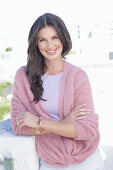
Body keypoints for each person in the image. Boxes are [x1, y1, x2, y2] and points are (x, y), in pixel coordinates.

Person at [11, 13, 105, 170]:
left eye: (55, 37)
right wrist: (64, 123)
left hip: (88, 161)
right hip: (51, 162)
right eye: (43, 40)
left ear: (63, 39)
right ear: (36, 43)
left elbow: (88, 129)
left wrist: (40, 122)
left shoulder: (77, 76)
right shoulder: (23, 77)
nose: (50, 45)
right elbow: (18, 126)